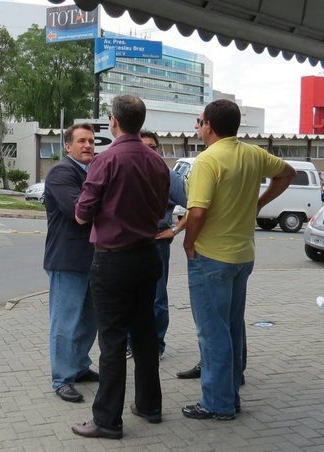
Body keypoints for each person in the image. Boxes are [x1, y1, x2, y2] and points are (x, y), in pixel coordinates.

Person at [180, 99, 295, 421]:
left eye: (199, 121)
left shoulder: (207, 160)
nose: (196, 126)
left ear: (210, 126)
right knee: (231, 325)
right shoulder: (253, 153)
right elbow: (288, 173)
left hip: (211, 258)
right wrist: (259, 203)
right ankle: (231, 385)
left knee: (212, 332)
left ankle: (218, 403)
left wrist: (189, 244)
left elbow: (198, 211)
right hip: (243, 256)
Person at [72, 95, 170, 440]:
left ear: (114, 121)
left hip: (113, 259)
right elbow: (161, 207)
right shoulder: (158, 162)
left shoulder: (106, 160)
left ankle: (107, 420)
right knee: (144, 334)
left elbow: (83, 213)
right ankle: (149, 405)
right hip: (148, 255)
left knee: (112, 340)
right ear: (139, 122)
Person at [43, 123, 100, 404]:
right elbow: (81, 212)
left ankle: (79, 366)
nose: (88, 145)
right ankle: (62, 379)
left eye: (91, 141)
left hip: (92, 259)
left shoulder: (89, 171)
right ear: (68, 146)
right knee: (65, 323)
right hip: (66, 260)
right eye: (81, 141)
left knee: (90, 321)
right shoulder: (61, 173)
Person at [126, 131, 188, 361]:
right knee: (129, 296)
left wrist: (175, 229)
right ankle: (131, 343)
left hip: (156, 243)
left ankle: (156, 344)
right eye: (143, 146)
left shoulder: (169, 177)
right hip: (128, 243)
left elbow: (197, 206)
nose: (148, 150)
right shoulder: (126, 172)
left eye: (153, 146)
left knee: (157, 299)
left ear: (159, 150)